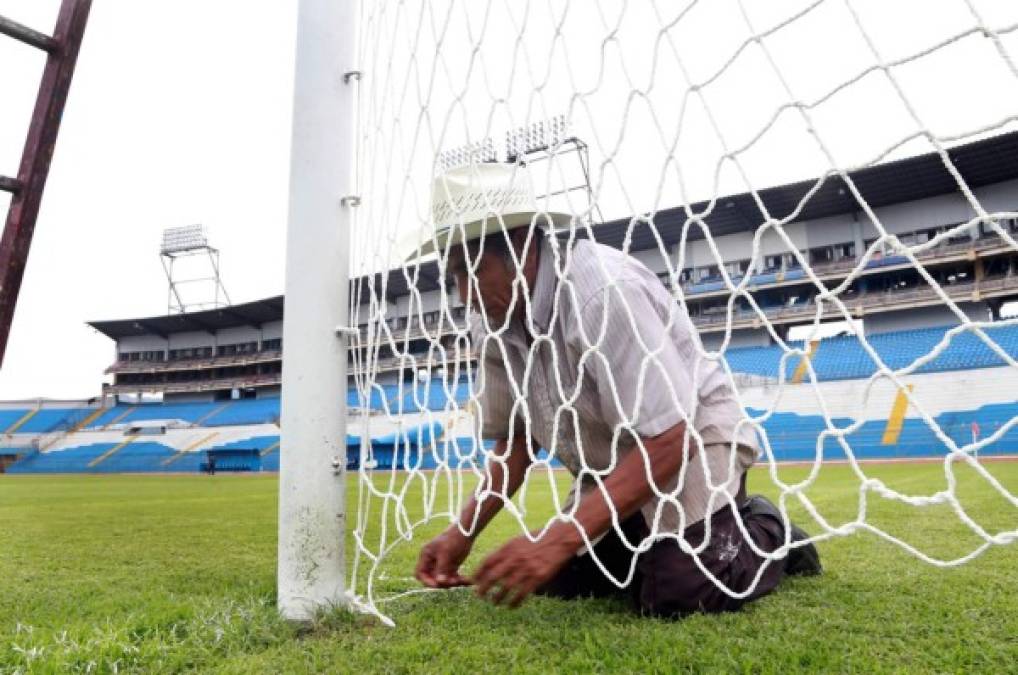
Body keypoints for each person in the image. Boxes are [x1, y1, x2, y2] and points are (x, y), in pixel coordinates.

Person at [413, 163, 820, 617]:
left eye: (473, 271)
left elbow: (671, 437)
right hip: (614, 461)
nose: (465, 294)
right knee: (564, 581)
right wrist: (462, 532)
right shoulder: (489, 320)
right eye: (455, 278)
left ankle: (768, 531)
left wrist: (561, 537)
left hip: (694, 439)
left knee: (677, 593)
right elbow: (516, 442)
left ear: (522, 246)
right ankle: (643, 539)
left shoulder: (602, 291)